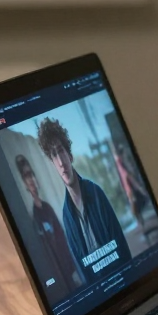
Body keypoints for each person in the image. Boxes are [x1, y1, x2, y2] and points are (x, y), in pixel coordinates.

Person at [36, 118, 132, 285]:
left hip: (121, 280)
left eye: (61, 151)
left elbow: (121, 245)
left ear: (70, 155)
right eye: (54, 155)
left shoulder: (95, 193)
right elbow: (82, 268)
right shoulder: (66, 215)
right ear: (52, 164)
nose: (60, 161)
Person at [14, 153, 80, 300]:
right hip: (58, 280)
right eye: (26, 176)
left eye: (31, 174)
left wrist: (73, 269)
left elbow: (62, 238)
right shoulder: (33, 217)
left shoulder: (47, 208)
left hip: (69, 273)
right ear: (23, 183)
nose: (31, 179)